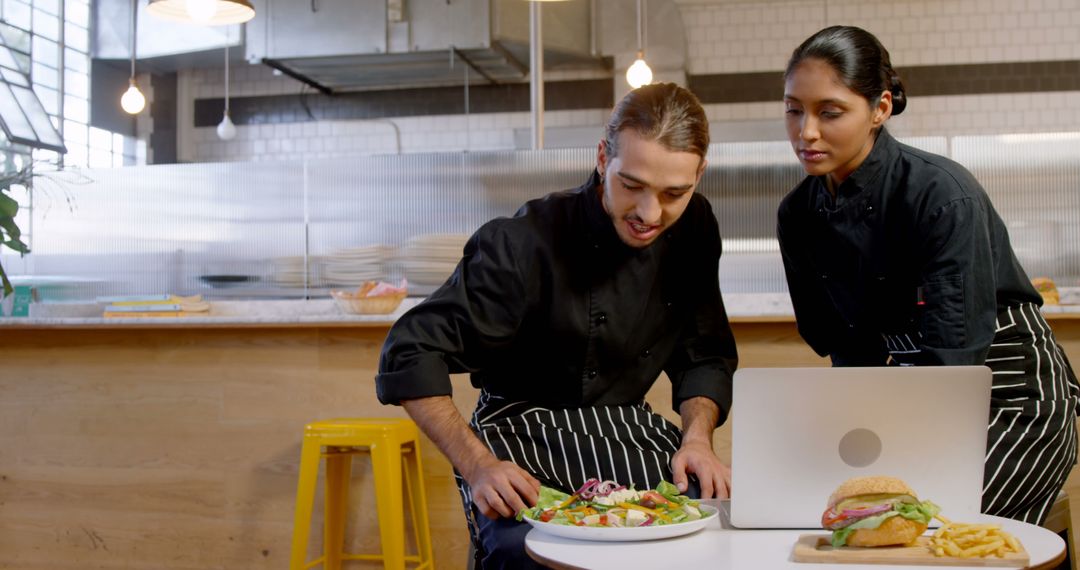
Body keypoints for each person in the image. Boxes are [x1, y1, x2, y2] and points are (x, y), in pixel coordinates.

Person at [376, 82, 738, 569]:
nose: (651, 214)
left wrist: (697, 439)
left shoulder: (694, 226)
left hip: (625, 429)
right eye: (631, 185)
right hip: (520, 433)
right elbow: (410, 352)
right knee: (528, 553)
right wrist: (478, 466)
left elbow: (704, 352)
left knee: (711, 529)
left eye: (674, 192)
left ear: (699, 174)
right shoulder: (522, 243)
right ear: (602, 157)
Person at [777, 25, 1079, 525]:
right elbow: (842, 346)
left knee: (923, 522)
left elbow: (954, 359)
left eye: (829, 112)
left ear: (881, 108)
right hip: (914, 399)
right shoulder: (798, 214)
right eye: (793, 109)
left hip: (1009, 399)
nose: (805, 131)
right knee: (835, 515)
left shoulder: (940, 194)